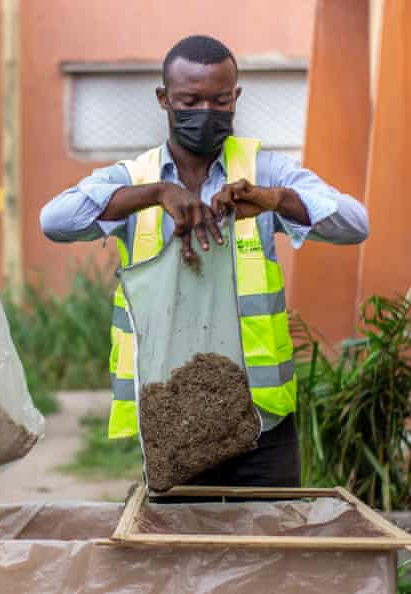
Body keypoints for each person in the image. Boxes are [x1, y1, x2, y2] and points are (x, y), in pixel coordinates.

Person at [40, 35, 368, 491]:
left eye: (219, 100)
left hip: (262, 425)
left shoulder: (264, 171)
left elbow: (355, 223)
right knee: (181, 560)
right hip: (172, 424)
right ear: (163, 100)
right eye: (189, 101)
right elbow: (55, 220)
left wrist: (274, 200)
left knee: (271, 556)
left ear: (236, 96)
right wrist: (155, 194)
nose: (206, 112)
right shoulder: (134, 178)